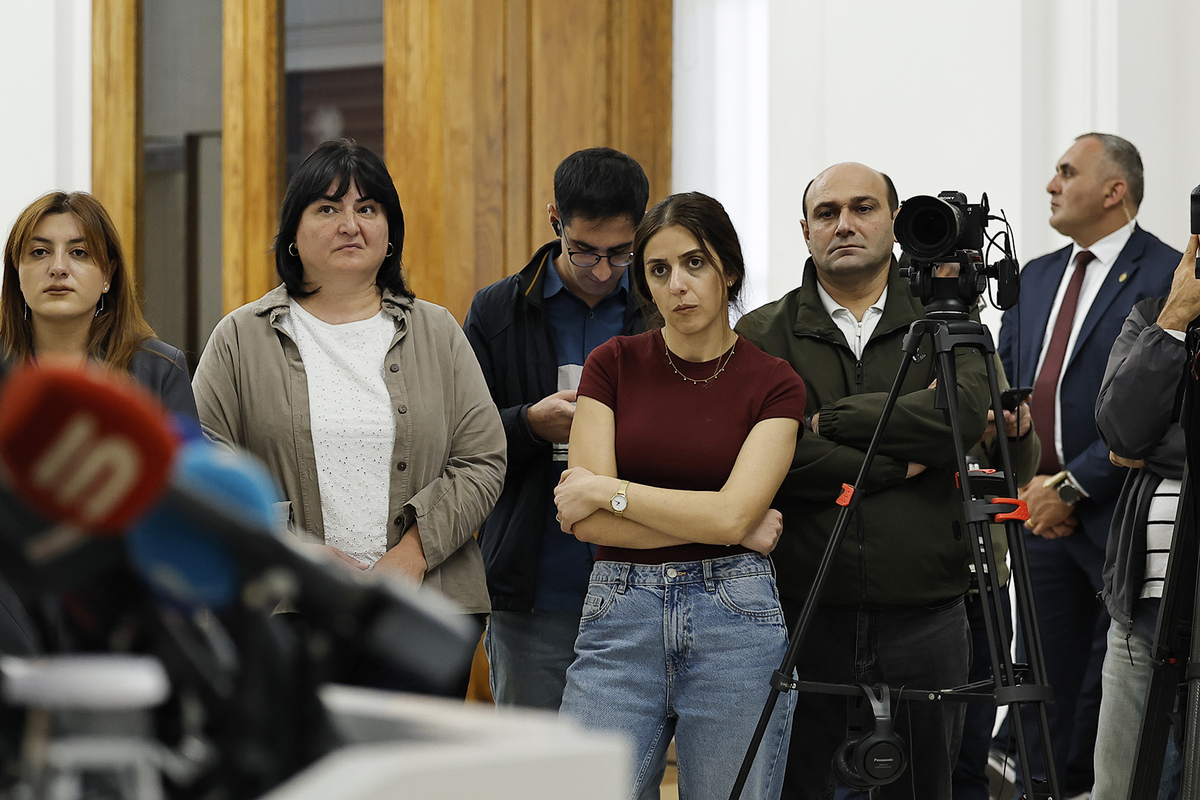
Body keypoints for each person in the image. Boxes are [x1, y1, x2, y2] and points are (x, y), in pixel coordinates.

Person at [192, 140, 505, 695]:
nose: (350, 225)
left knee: (407, 756)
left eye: (367, 208)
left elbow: (482, 458)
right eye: (327, 208)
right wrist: (294, 551)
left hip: (423, 607)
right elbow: (205, 465)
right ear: (293, 234)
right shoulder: (239, 337)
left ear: (389, 232)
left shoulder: (438, 332)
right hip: (284, 609)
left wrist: (414, 553)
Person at [736, 162, 990, 800]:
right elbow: (773, 457)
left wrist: (833, 422)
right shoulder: (762, 334)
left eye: (863, 208)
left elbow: (961, 421)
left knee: (922, 789)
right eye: (827, 213)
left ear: (895, 222)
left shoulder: (948, 320)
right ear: (805, 231)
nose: (844, 224)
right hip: (800, 610)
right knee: (800, 788)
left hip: (927, 612)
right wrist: (901, 459)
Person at [554, 192, 805, 800]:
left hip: (735, 620)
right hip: (621, 613)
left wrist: (607, 489)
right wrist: (722, 522)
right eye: (659, 270)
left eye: (694, 263)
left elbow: (731, 516)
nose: (677, 286)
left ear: (729, 271)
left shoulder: (775, 383)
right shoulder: (612, 364)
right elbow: (586, 523)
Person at [995, 133, 1178, 793]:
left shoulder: (1168, 275)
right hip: (1037, 519)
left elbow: (1157, 410)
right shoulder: (1036, 276)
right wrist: (1029, 481)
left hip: (1122, 519)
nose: (1052, 184)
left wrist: (1070, 488)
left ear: (1113, 190)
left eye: (1068, 172)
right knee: (1039, 682)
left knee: (1112, 696)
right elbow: (1006, 389)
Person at [464, 147, 649, 710]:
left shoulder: (659, 309)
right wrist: (528, 424)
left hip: (644, 585)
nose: (602, 270)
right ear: (555, 220)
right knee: (534, 756)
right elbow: (461, 440)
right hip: (535, 586)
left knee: (627, 762)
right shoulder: (499, 310)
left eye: (620, 253)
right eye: (584, 250)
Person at [0, 190, 198, 655]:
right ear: (17, 274)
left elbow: (183, 508)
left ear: (108, 275)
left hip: (121, 610)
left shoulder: (159, 370)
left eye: (79, 253)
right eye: (39, 252)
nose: (58, 268)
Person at [1091, 234, 1199, 800]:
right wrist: (1176, 320)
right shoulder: (1154, 316)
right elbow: (1121, 430)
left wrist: (1154, 445)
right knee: (1121, 786)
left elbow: (1138, 446)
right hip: (1142, 602)